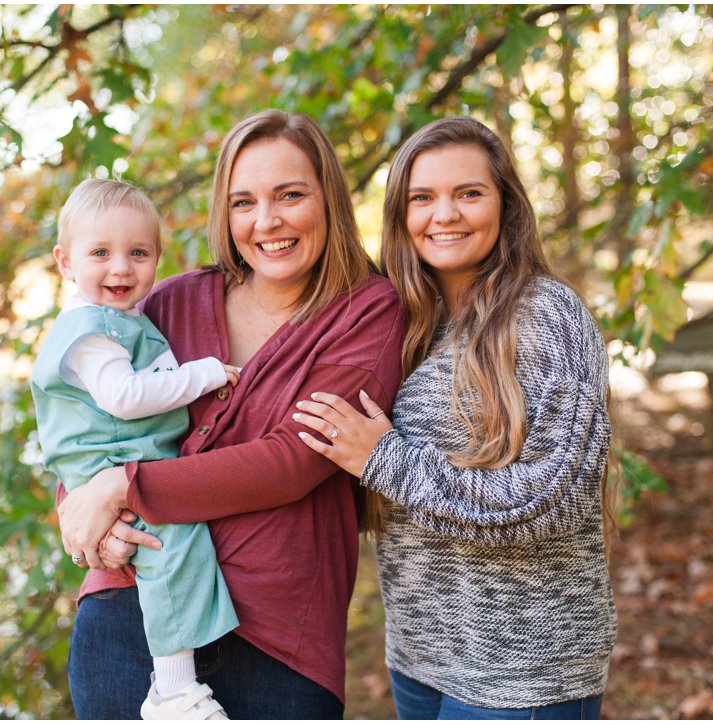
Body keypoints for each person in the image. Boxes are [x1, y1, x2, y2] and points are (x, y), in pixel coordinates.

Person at [55, 110, 406, 719]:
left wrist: (124, 486)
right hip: (130, 614)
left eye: (290, 195)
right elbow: (88, 422)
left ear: (329, 201)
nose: (266, 221)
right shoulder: (168, 301)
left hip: (275, 637)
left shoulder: (367, 313)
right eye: (243, 202)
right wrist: (84, 514)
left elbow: (294, 458)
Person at [294, 117, 616, 719]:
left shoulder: (546, 314)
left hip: (523, 669)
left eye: (469, 193)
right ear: (400, 214)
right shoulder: (401, 323)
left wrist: (385, 460)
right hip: (419, 658)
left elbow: (554, 501)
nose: (445, 214)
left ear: (505, 204)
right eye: (423, 197)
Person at [31, 178, 242, 719]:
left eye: (138, 253)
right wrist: (204, 375)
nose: (121, 268)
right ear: (65, 262)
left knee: (157, 542)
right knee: (169, 544)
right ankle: (171, 687)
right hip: (105, 456)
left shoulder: (121, 320)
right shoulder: (92, 331)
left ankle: (174, 681)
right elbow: (122, 397)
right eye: (100, 253)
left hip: (116, 459)